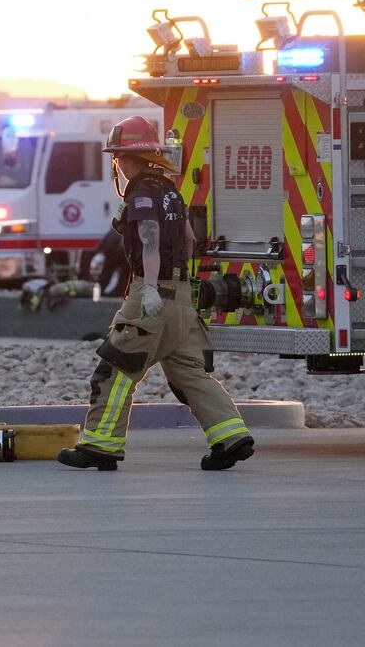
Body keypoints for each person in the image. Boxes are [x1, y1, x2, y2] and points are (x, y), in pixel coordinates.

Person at [57, 115, 253, 472]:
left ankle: (101, 445)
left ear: (127, 158)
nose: (116, 163)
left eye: (117, 156)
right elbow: (190, 240)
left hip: (153, 296)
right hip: (181, 301)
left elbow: (149, 238)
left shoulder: (143, 193)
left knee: (116, 370)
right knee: (189, 374)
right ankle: (231, 437)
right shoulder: (170, 192)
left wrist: (149, 288)